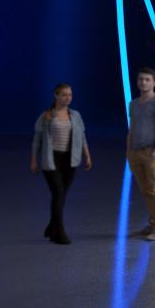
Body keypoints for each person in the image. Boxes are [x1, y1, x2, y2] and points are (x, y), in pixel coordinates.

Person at [31, 83, 91, 244]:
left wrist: (87, 156)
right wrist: (34, 160)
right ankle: (59, 233)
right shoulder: (46, 116)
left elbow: (82, 137)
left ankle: (52, 226)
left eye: (70, 94)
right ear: (56, 95)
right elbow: (37, 140)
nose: (67, 98)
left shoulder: (75, 115)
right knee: (58, 192)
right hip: (51, 159)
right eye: (64, 94)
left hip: (69, 160)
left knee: (61, 195)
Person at [126, 67, 155, 242]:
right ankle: (152, 224)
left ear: (154, 83)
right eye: (141, 79)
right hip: (136, 153)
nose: (143, 82)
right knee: (146, 190)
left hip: (152, 152)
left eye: (147, 79)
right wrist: (129, 152)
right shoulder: (134, 104)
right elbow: (132, 129)